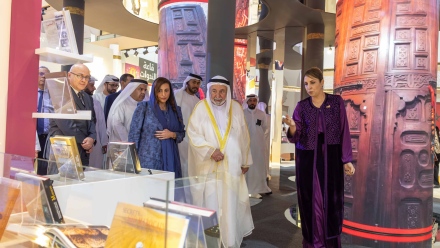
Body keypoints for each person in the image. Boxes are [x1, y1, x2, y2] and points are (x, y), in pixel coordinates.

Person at [283, 67, 355, 247]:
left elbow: (344, 130)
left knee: (330, 202)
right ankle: (314, 242)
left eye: (313, 83)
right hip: (308, 161)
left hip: (331, 158)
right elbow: (296, 135)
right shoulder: (302, 106)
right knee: (311, 202)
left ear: (322, 82)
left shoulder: (336, 102)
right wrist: (292, 126)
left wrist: (346, 159)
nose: (309, 87)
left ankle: (330, 242)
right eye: (306, 84)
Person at [187, 75, 254, 248]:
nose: (218, 95)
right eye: (214, 91)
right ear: (209, 91)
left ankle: (229, 240)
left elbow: (244, 136)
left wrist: (245, 161)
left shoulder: (237, 108)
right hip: (208, 168)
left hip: (231, 167)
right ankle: (211, 242)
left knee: (230, 203)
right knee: (211, 204)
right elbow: (193, 134)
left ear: (227, 92)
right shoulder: (200, 108)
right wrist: (210, 151)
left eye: (222, 91)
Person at [128, 77, 185, 178]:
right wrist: (133, 162)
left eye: (166, 91)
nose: (163, 94)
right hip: (148, 159)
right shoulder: (144, 107)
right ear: (154, 91)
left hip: (171, 157)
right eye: (159, 91)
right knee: (149, 189)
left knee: (168, 189)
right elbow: (134, 134)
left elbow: (181, 133)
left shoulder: (176, 110)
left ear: (170, 92)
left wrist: (172, 134)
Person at [47, 64, 97, 166]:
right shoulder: (60, 94)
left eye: (87, 77)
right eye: (80, 76)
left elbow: (92, 120)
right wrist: (85, 142)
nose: (84, 80)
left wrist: (92, 138)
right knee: (61, 181)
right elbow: (66, 125)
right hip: (63, 148)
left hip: (82, 150)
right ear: (69, 75)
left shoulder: (87, 97)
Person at [243, 94, 271, 198]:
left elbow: (264, 128)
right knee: (247, 166)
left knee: (258, 165)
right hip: (246, 145)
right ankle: (246, 189)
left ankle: (258, 189)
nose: (252, 102)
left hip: (259, 144)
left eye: (254, 101)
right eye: (250, 101)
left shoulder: (262, 114)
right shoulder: (242, 113)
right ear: (247, 102)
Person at [174, 73, 202, 177]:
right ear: (187, 82)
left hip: (192, 138)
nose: (196, 85)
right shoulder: (177, 95)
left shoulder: (198, 101)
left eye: (198, 83)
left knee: (189, 164)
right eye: (194, 82)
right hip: (178, 136)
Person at [83, 76, 109, 169]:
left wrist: (104, 142)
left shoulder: (96, 102)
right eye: (91, 85)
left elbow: (101, 124)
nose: (94, 88)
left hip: (96, 142)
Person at [36, 66, 51, 175]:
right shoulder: (29, 94)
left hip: (48, 137)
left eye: (46, 75)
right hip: (34, 136)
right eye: (41, 74)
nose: (43, 77)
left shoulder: (52, 94)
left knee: (45, 167)